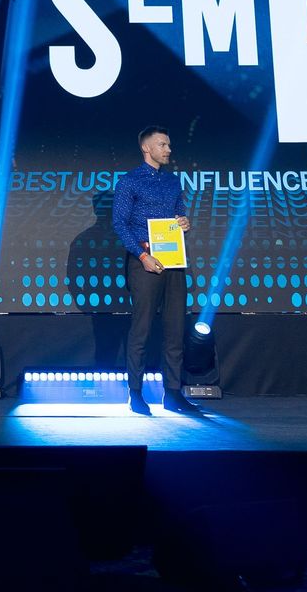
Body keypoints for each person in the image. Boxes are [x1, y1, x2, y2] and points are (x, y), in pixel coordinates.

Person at [112, 125, 195, 415]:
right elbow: (120, 224)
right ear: (146, 148)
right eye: (163, 144)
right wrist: (142, 255)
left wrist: (184, 223)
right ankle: (135, 393)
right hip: (144, 261)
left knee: (175, 328)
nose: (168, 149)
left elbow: (179, 215)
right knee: (142, 328)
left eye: (169, 144)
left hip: (173, 261)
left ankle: (173, 392)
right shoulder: (129, 181)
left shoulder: (172, 181)